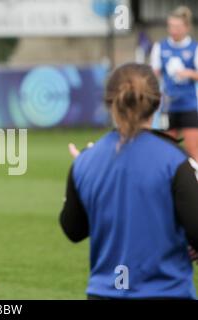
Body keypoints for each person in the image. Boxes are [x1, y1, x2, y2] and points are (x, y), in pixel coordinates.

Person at [60, 63, 198, 299]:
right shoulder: (176, 161)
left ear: (109, 102)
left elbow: (73, 229)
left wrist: (79, 176)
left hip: (105, 293)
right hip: (166, 293)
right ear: (158, 101)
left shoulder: (85, 162)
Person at [150, 6, 198, 161]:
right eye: (171, 26)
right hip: (168, 107)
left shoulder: (194, 48)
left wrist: (189, 73)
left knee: (193, 151)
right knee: (166, 150)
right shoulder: (160, 47)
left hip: (190, 106)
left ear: (186, 27)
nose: (173, 30)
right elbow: (153, 75)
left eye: (177, 26)